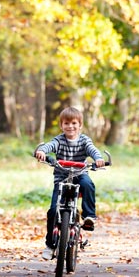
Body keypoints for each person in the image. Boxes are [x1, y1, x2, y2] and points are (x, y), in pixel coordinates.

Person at [34, 107, 105, 260]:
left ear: (80, 125)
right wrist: (42, 152)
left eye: (74, 123)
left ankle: (89, 216)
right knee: (53, 211)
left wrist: (98, 159)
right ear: (61, 125)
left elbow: (92, 150)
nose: (70, 126)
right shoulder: (59, 140)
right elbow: (49, 146)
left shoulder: (84, 140)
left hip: (80, 174)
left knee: (88, 184)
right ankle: (50, 244)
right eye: (66, 123)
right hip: (61, 177)